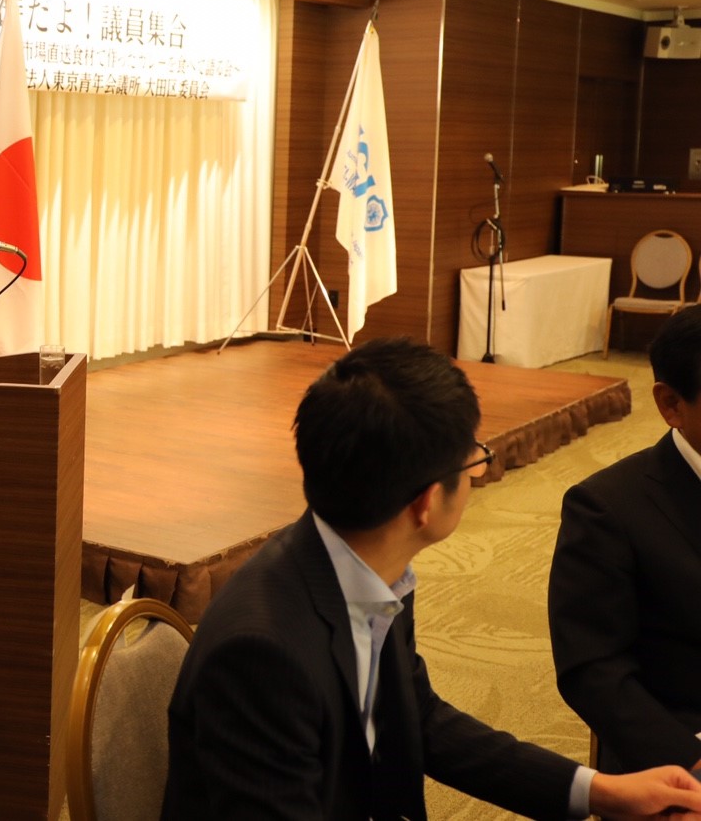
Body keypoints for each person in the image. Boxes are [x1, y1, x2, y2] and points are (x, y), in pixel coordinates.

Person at [162, 336, 701, 820]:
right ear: (425, 505)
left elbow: (416, 717)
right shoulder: (263, 654)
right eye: (474, 460)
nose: (479, 471)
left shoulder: (369, 570)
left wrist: (598, 792)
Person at [550, 304, 701, 774]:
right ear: (671, 404)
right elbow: (592, 668)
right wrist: (692, 762)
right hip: (682, 747)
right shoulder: (606, 508)